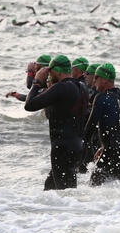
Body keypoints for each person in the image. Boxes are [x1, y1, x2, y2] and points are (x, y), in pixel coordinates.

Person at [24, 55, 89, 190]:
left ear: (58, 71)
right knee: (50, 189)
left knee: (65, 194)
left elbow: (29, 105)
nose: (49, 74)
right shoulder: (82, 86)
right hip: (78, 147)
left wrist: (36, 82)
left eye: (51, 71)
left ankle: (77, 211)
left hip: (63, 149)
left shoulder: (61, 88)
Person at [83, 63, 120, 186]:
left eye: (96, 78)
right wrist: (104, 146)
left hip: (112, 149)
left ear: (105, 79)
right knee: (118, 187)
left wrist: (79, 149)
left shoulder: (101, 97)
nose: (94, 82)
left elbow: (89, 128)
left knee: (94, 186)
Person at [77, 63, 101, 174]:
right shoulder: (89, 91)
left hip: (97, 140)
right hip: (90, 139)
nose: (84, 75)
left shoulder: (99, 95)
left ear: (95, 76)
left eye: (87, 73)